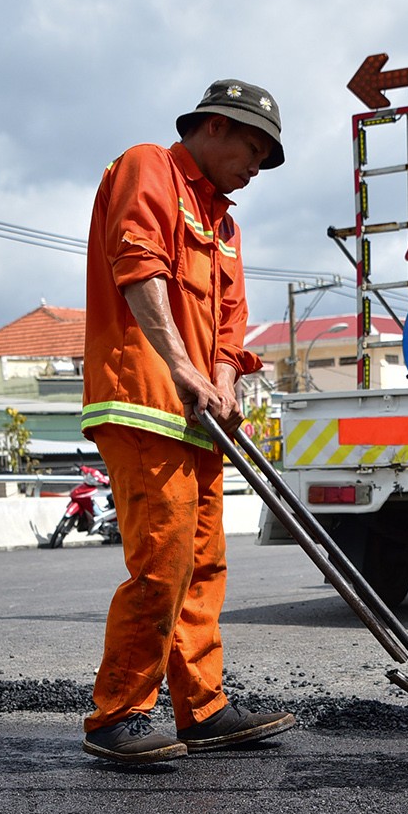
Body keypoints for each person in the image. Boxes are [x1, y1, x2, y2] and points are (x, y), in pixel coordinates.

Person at [78, 79, 298, 764]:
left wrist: (224, 380)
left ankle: (202, 706)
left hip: (200, 414)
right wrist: (182, 366)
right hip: (143, 400)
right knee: (164, 562)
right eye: (252, 149)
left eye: (266, 156)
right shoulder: (151, 167)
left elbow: (231, 322)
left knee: (205, 563)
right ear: (212, 127)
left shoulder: (225, 224)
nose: (256, 167)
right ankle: (119, 712)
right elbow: (138, 267)